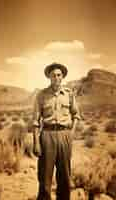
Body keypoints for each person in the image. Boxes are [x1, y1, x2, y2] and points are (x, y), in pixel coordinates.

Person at [32, 63, 81, 200]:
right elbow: (35, 121)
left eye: (59, 75)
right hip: (47, 135)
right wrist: (36, 142)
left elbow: (76, 115)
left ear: (62, 76)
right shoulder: (41, 95)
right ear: (49, 77)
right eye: (53, 75)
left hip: (65, 135)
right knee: (45, 175)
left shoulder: (69, 94)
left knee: (64, 174)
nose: (56, 77)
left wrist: (71, 133)